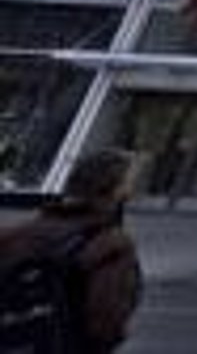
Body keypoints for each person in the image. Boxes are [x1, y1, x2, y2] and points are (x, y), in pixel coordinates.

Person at [0, 147, 142, 351]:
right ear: (118, 191)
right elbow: (105, 321)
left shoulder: (19, 234)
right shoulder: (111, 244)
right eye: (129, 183)